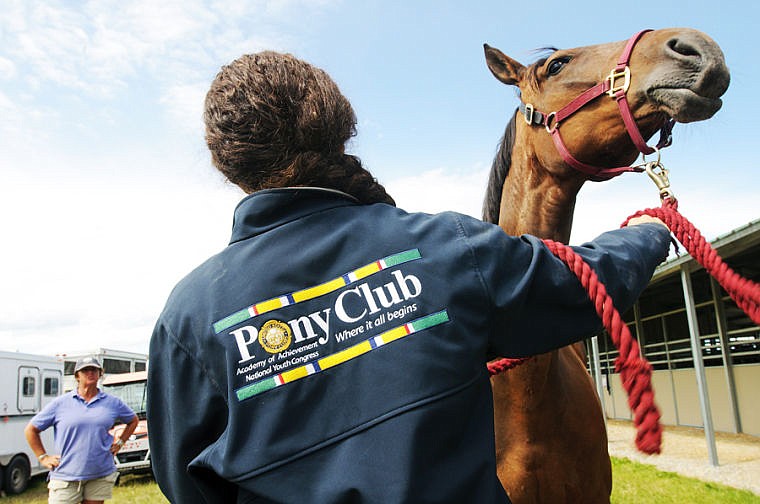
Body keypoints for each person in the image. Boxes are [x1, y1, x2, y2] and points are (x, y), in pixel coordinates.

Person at [146, 51, 671, 503]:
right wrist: (650, 229)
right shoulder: (444, 249)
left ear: (227, 162)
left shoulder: (187, 317)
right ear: (339, 125)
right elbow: (588, 280)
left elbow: (186, 483)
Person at [25, 357, 138, 504]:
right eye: (85, 370)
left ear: (100, 374)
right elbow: (31, 429)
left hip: (99, 473)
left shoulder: (112, 403)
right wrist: (43, 457)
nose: (90, 373)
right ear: (77, 376)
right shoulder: (61, 403)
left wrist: (121, 442)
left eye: (94, 370)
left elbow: (133, 420)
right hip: (65, 474)